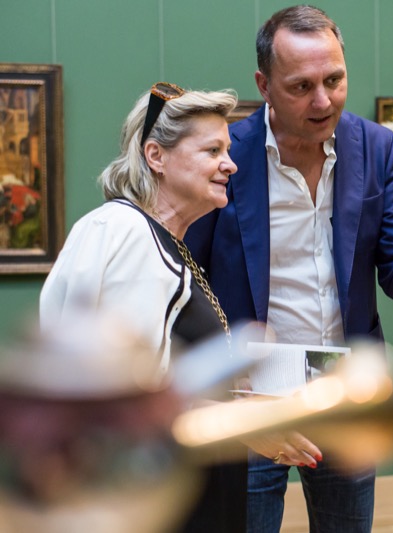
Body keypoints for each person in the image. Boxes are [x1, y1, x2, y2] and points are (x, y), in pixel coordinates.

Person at [184, 5, 393, 532]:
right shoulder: (228, 154)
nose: (323, 101)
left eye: (334, 80)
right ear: (264, 85)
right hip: (252, 394)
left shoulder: (376, 147)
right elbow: (192, 276)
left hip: (344, 387)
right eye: (302, 86)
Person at [38, 82, 246, 532]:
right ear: (156, 156)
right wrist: (253, 424)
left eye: (227, 150)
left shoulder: (165, 242)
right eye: (212, 150)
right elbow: (130, 405)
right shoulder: (128, 232)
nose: (229, 163)